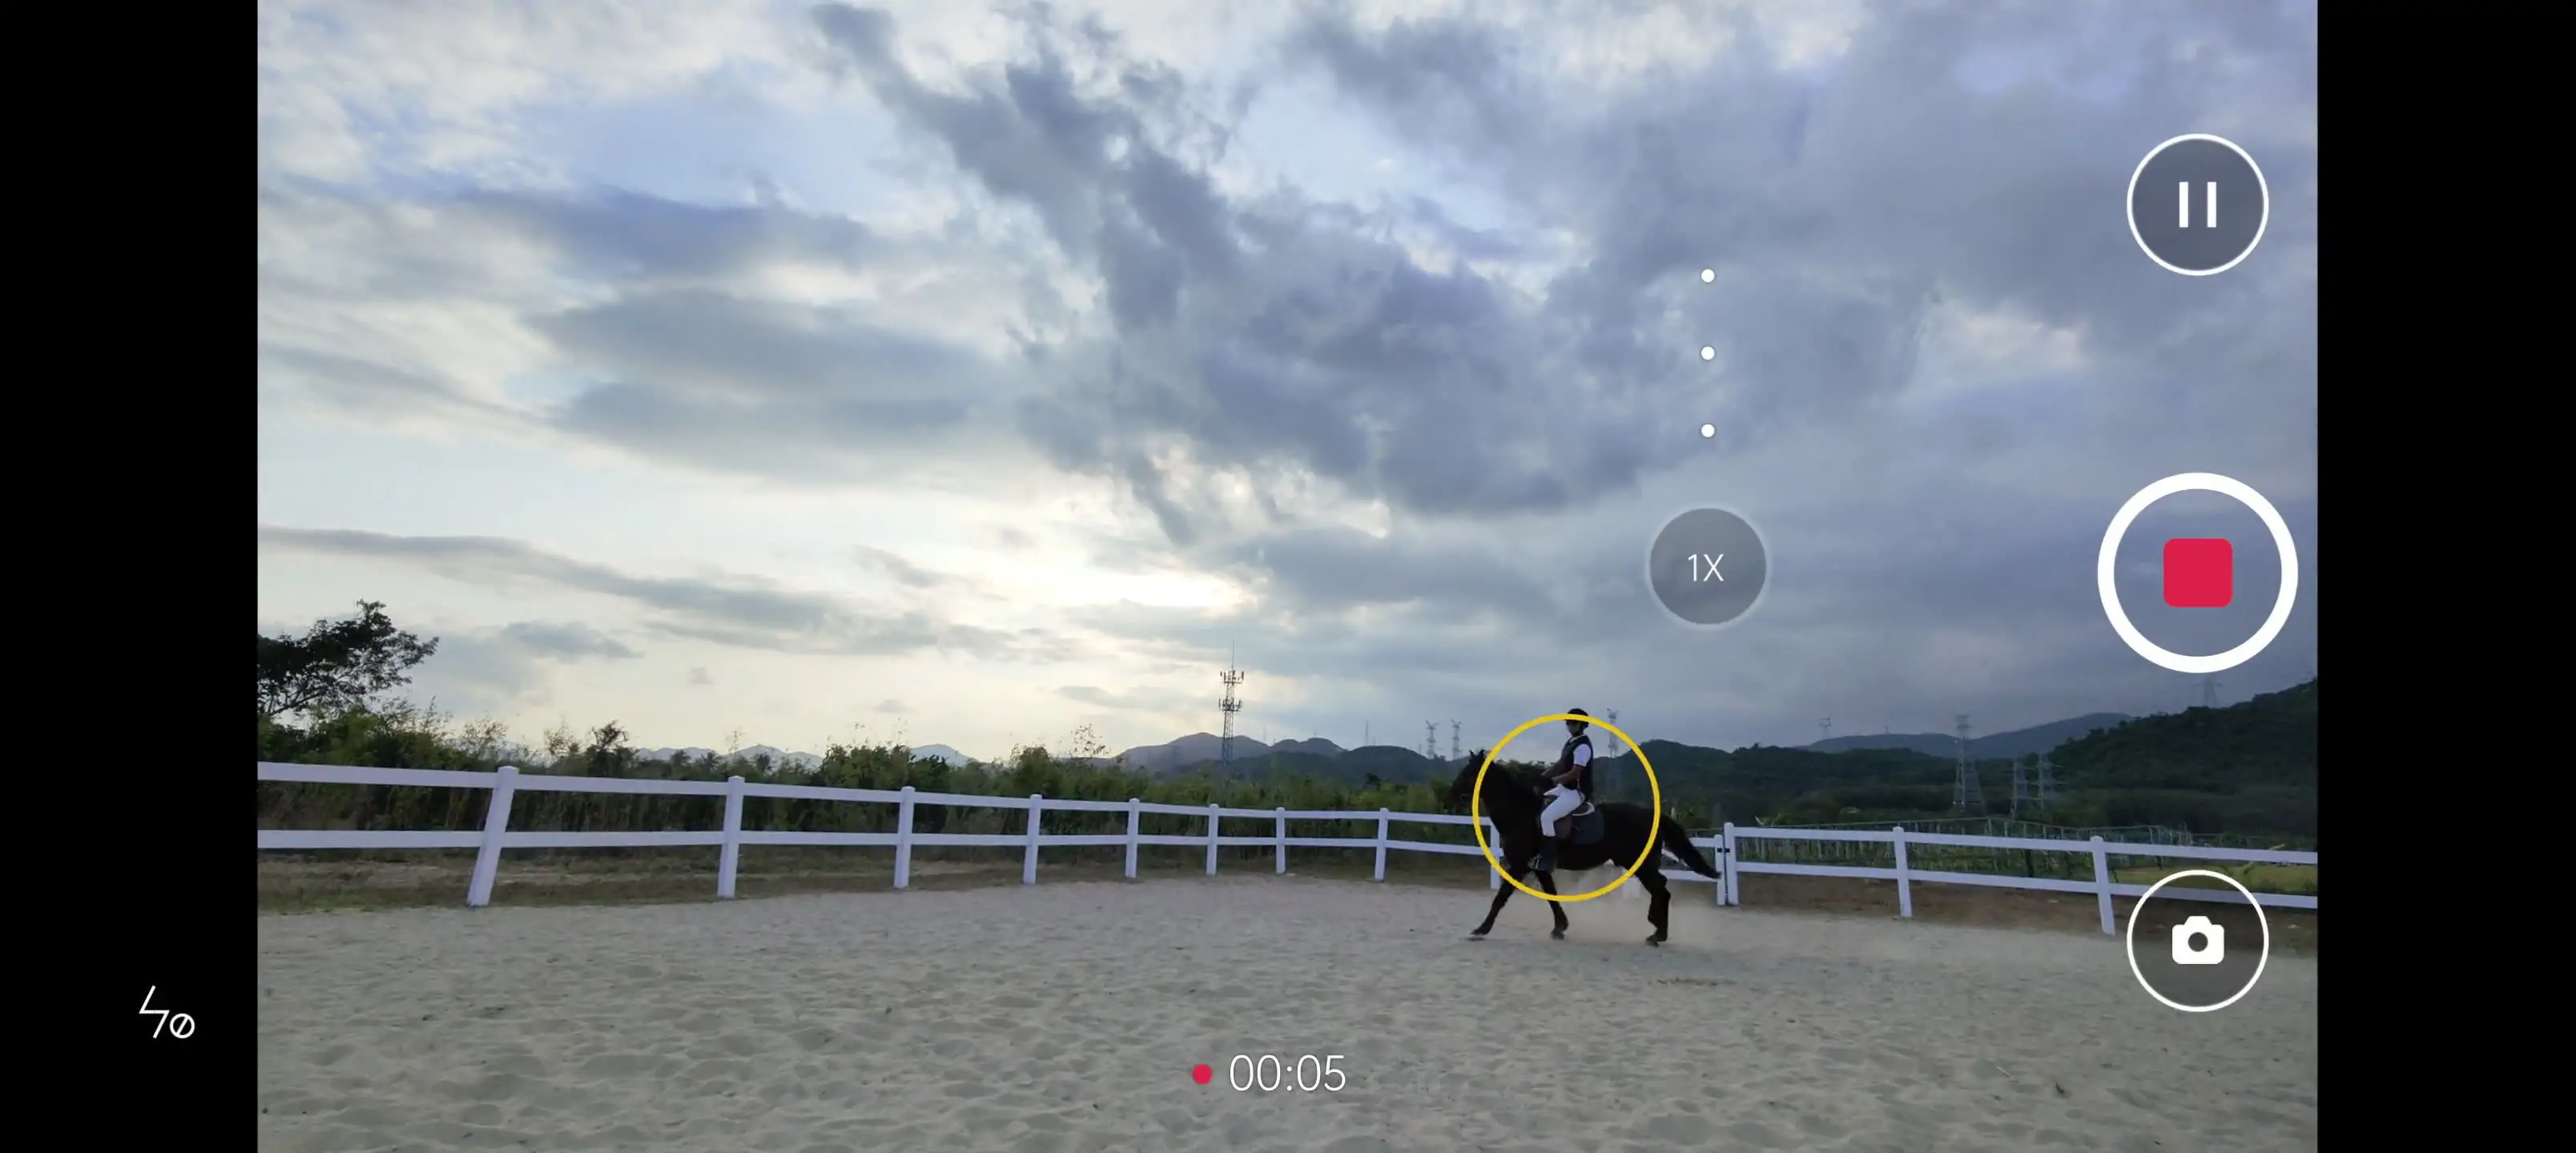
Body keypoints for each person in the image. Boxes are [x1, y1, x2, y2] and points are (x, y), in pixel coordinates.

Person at [1532, 709, 1594, 872]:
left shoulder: (1583, 747)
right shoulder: (1571, 743)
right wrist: (1541, 777)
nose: (1569, 726)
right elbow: (1559, 765)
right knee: (1537, 801)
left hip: (1577, 792)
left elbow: (1575, 773)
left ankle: (1549, 858)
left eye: (1573, 723)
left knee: (1547, 817)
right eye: (1568, 722)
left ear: (1582, 724)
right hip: (1565, 788)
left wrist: (1552, 781)